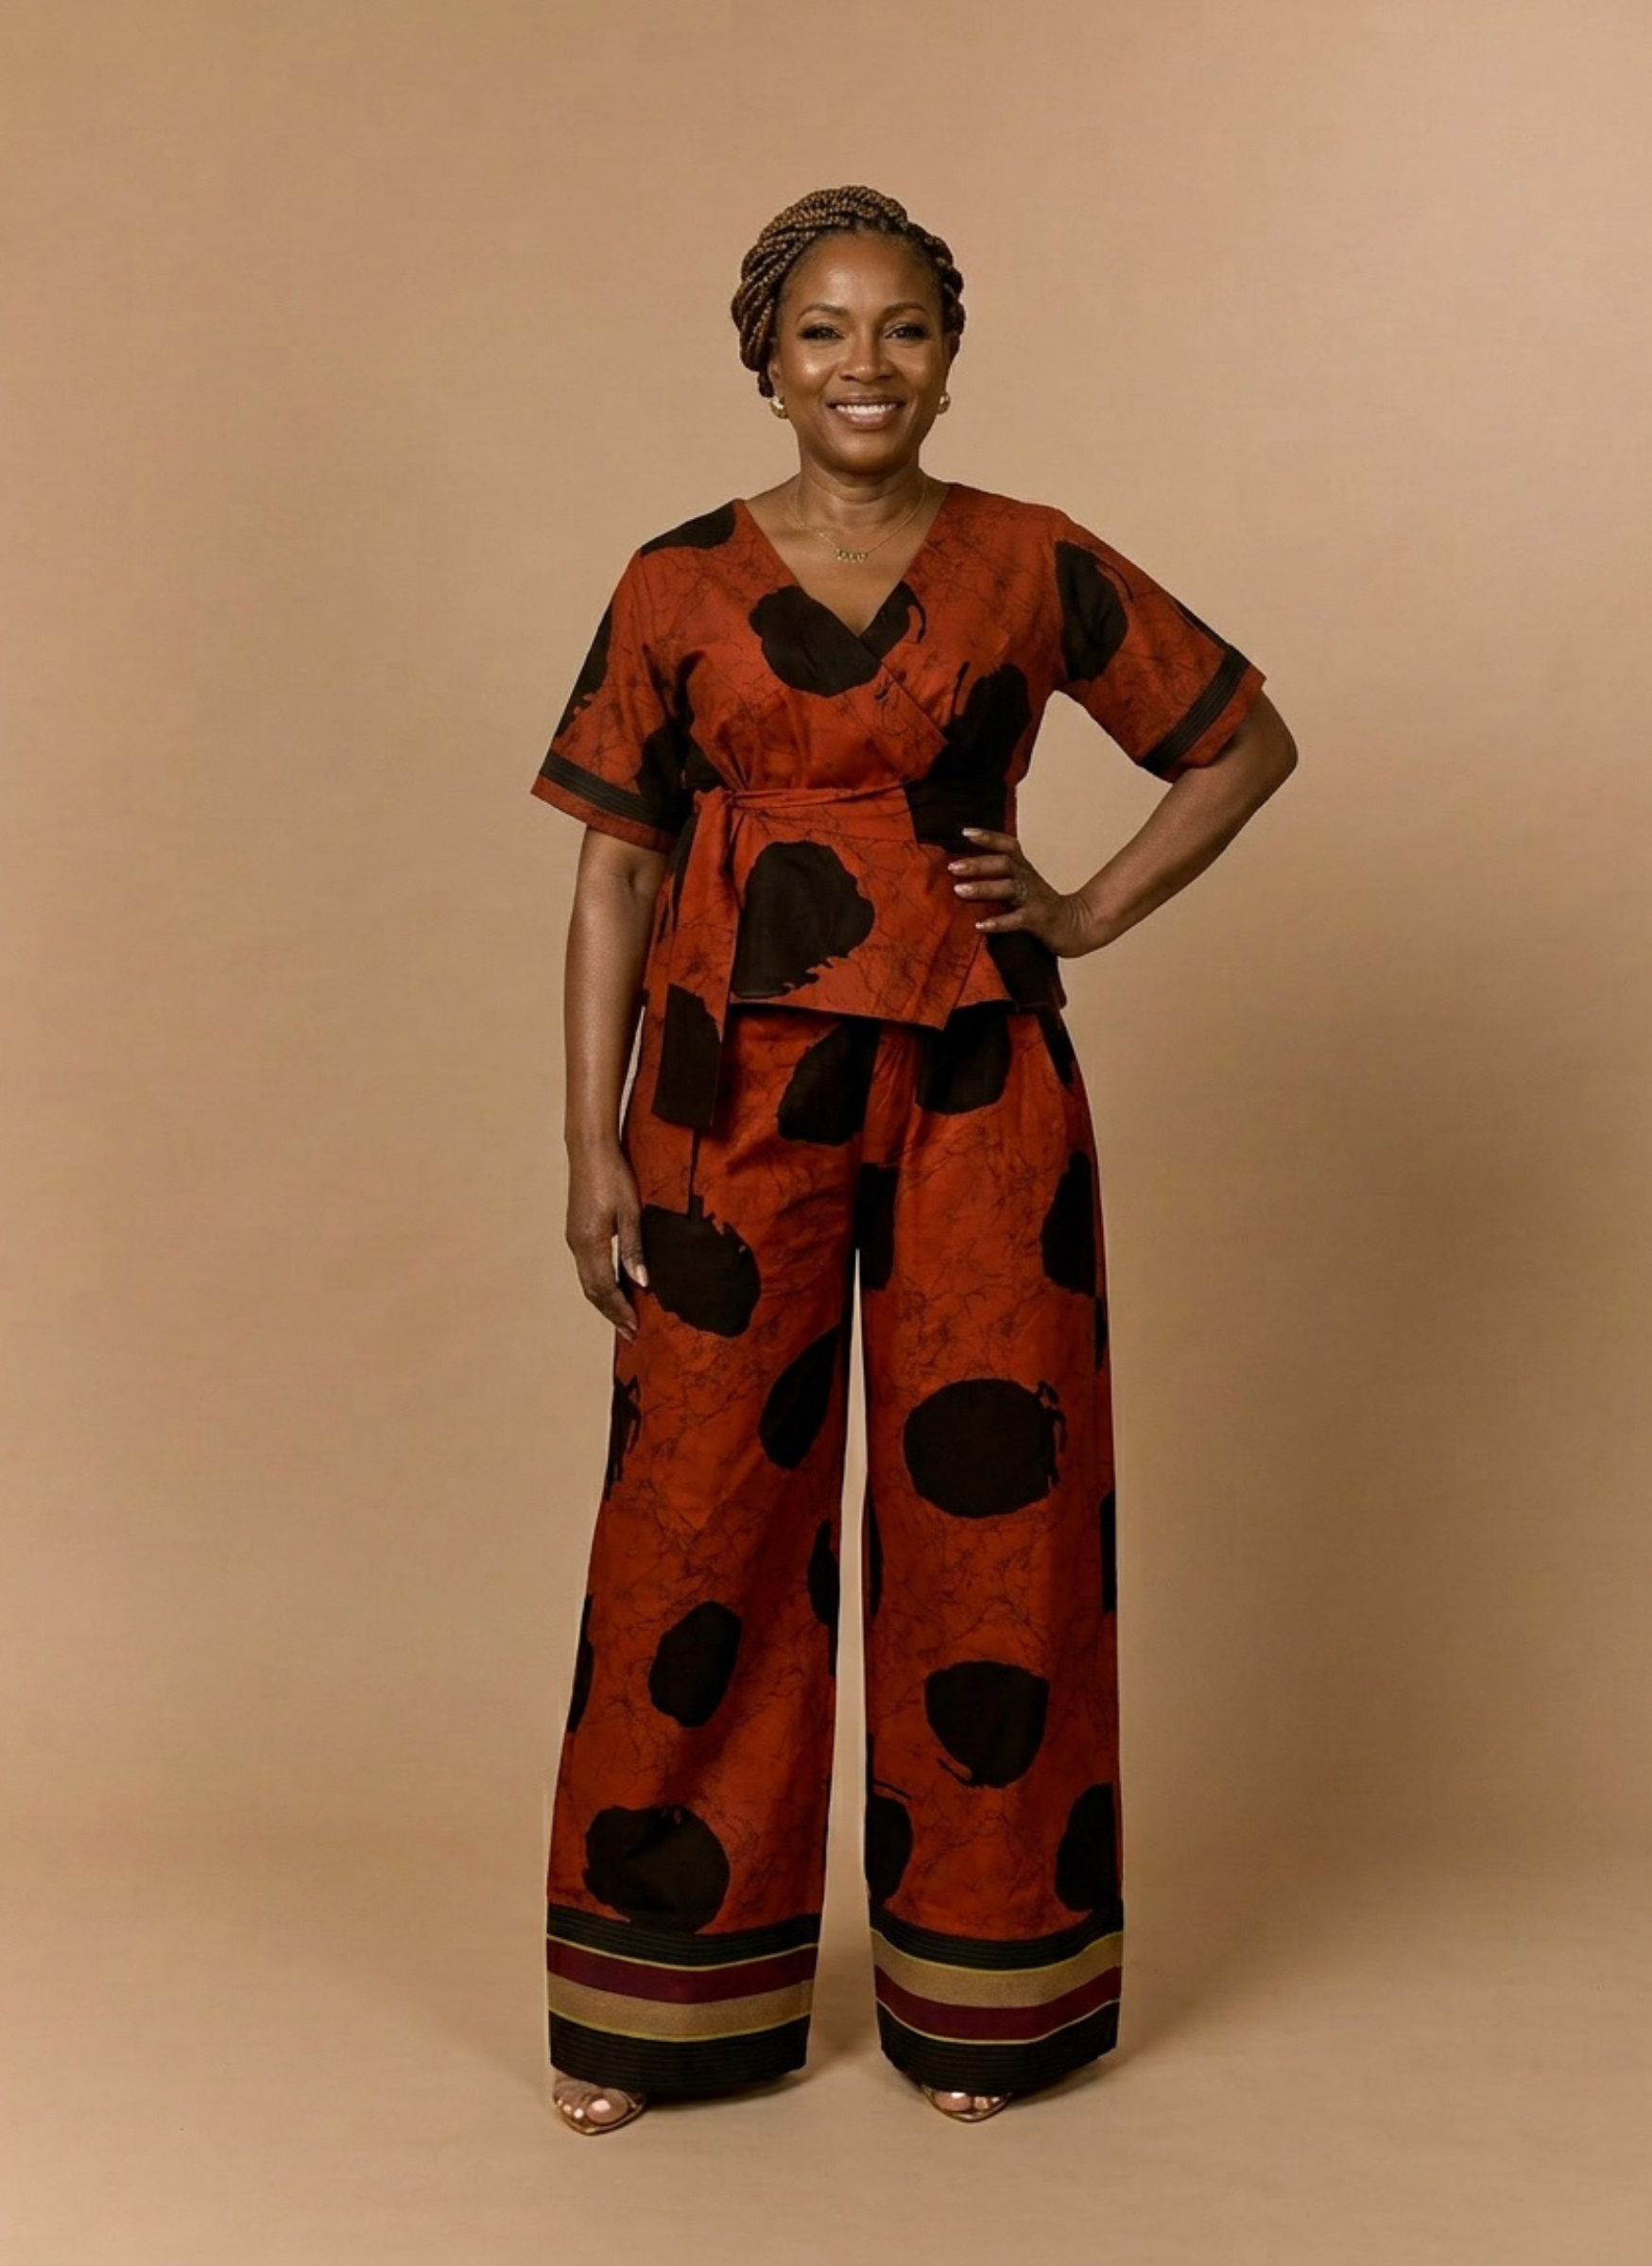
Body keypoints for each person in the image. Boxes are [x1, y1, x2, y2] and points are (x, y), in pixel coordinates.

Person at [528, 184, 1298, 2136]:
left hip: (978, 1081)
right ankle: (659, 2007)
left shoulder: (1032, 559)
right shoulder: (672, 582)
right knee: (698, 1525)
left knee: (995, 1522)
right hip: (723, 1098)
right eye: (822, 330)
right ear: (766, 362)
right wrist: (587, 1137)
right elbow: (613, 868)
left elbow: (1241, 742)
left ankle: (985, 1993)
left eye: (902, 329)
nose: (863, 364)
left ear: (949, 357)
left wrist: (1084, 908)